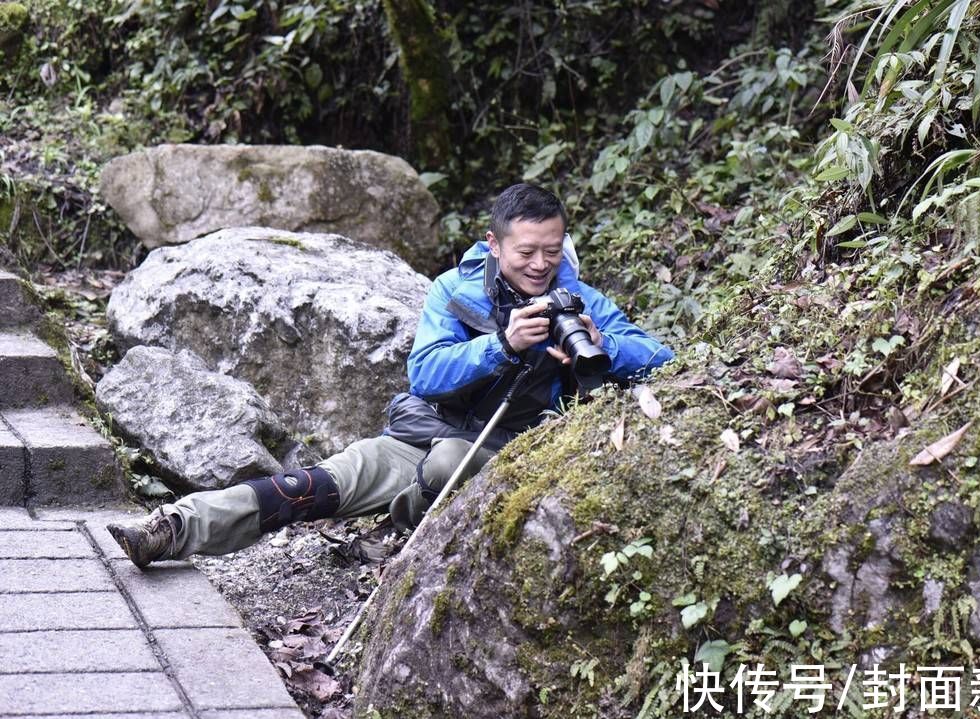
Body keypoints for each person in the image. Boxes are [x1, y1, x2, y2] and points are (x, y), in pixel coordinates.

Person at [107, 183, 673, 568]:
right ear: (494, 244)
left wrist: (601, 349)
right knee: (308, 486)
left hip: (505, 451)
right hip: (421, 434)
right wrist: (500, 345)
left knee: (451, 465)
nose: (540, 264)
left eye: (552, 251)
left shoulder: (581, 301)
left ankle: (402, 514)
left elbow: (660, 356)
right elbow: (424, 374)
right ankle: (174, 528)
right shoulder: (454, 292)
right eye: (527, 251)